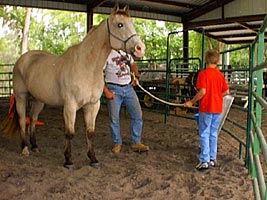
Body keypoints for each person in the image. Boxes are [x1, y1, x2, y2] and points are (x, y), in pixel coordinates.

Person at [184, 49, 229, 171]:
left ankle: (204, 160)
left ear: (206, 60)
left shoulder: (203, 74)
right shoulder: (220, 75)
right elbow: (226, 91)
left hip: (206, 108)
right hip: (217, 108)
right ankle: (212, 158)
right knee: (213, 133)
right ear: (218, 61)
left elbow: (202, 91)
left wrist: (191, 102)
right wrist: (217, 97)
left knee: (204, 133)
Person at [103, 49, 149, 153]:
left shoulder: (126, 52)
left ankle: (136, 141)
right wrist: (106, 91)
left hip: (128, 87)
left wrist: (135, 77)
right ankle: (117, 142)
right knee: (114, 118)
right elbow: (98, 73)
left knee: (137, 115)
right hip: (113, 88)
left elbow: (132, 64)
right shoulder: (106, 53)